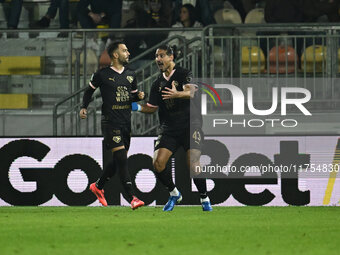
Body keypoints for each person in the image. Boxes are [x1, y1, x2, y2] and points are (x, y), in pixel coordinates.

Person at [133, 45, 212, 211]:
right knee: (158, 163)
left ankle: (204, 198)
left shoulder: (184, 73)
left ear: (171, 57)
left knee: (193, 163)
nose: (158, 59)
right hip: (169, 128)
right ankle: (174, 193)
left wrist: (177, 94)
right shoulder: (157, 84)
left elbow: (192, 92)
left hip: (191, 124)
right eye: (156, 56)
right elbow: (152, 107)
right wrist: (136, 107)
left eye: (161, 55)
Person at [79, 41, 145, 210]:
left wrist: (139, 96)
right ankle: (132, 197)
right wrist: (83, 107)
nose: (128, 53)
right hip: (110, 123)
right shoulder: (102, 74)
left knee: (118, 161)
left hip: (125, 123)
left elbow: (132, 97)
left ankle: (98, 186)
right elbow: (89, 91)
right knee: (122, 158)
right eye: (124, 50)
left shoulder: (131, 74)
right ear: (115, 55)